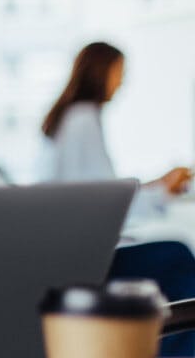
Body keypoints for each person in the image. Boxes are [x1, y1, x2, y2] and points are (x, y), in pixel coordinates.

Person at [39, 41, 191, 224]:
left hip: (73, 230)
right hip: (84, 235)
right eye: (119, 72)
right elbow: (105, 199)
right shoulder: (83, 120)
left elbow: (101, 188)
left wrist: (161, 183)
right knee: (178, 249)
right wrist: (162, 191)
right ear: (101, 72)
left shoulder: (74, 116)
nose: (121, 82)